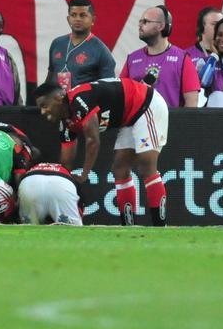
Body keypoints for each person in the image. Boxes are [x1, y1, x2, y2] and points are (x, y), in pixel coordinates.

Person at [35, 76, 170, 226]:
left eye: (44, 105)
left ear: (59, 97)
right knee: (119, 169)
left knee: (146, 166)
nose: (42, 112)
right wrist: (64, 182)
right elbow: (66, 162)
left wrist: (85, 174)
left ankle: (160, 227)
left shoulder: (80, 100)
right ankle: (129, 227)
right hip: (128, 118)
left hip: (147, 104)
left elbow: (93, 141)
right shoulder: (66, 123)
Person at [120, 5, 201, 107]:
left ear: (161, 26)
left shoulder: (182, 59)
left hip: (171, 121)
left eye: (145, 22)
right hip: (136, 122)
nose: (140, 25)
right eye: (140, 22)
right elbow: (121, 94)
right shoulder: (132, 58)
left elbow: (192, 102)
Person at [43, 0, 115, 90]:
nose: (77, 19)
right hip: (58, 103)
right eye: (73, 15)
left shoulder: (101, 51)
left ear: (93, 20)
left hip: (85, 103)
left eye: (82, 15)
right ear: (68, 19)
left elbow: (109, 89)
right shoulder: (57, 43)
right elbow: (50, 78)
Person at [16, 161, 84, 226]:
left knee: (28, 230)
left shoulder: (33, 168)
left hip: (30, 182)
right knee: (74, 231)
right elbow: (80, 210)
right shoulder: (67, 171)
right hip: (62, 183)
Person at [184, 6, 222, 73]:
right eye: (215, 24)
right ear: (202, 27)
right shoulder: (186, 55)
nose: (220, 28)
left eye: (222, 24)